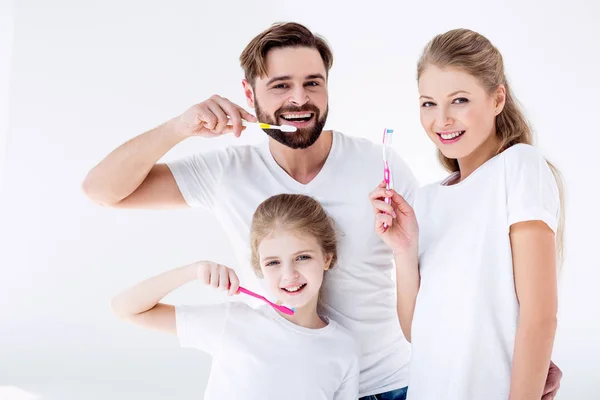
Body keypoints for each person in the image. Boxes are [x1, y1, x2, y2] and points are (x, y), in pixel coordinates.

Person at [83, 22, 417, 399]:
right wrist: (179, 128)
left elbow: (428, 269)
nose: (299, 99)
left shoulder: (379, 166)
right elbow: (101, 190)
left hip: (391, 383)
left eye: (313, 83)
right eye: (280, 85)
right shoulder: (227, 172)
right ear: (249, 92)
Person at [370, 28, 564, 400]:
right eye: (428, 103)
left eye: (458, 100)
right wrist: (404, 250)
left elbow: (540, 317)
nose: (441, 120)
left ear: (497, 99)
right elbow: (417, 332)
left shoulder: (519, 167)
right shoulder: (425, 201)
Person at [111, 193, 360, 399]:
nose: (289, 274)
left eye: (302, 257)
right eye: (273, 262)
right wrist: (193, 271)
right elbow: (126, 308)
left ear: (327, 258)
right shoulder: (232, 322)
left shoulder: (343, 348)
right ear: (260, 267)